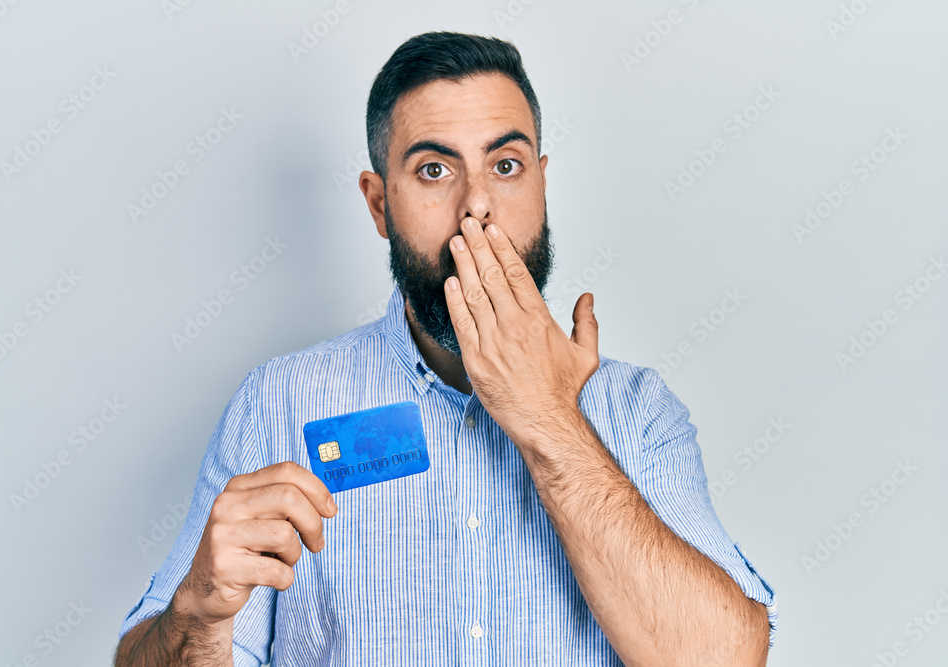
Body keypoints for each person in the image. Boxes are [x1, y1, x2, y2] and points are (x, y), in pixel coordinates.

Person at [114, 31, 777, 666]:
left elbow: (725, 658)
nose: (477, 207)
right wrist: (196, 616)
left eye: (507, 166)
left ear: (542, 186)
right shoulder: (277, 404)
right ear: (379, 205)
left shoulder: (636, 411)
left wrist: (549, 417)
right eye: (434, 170)